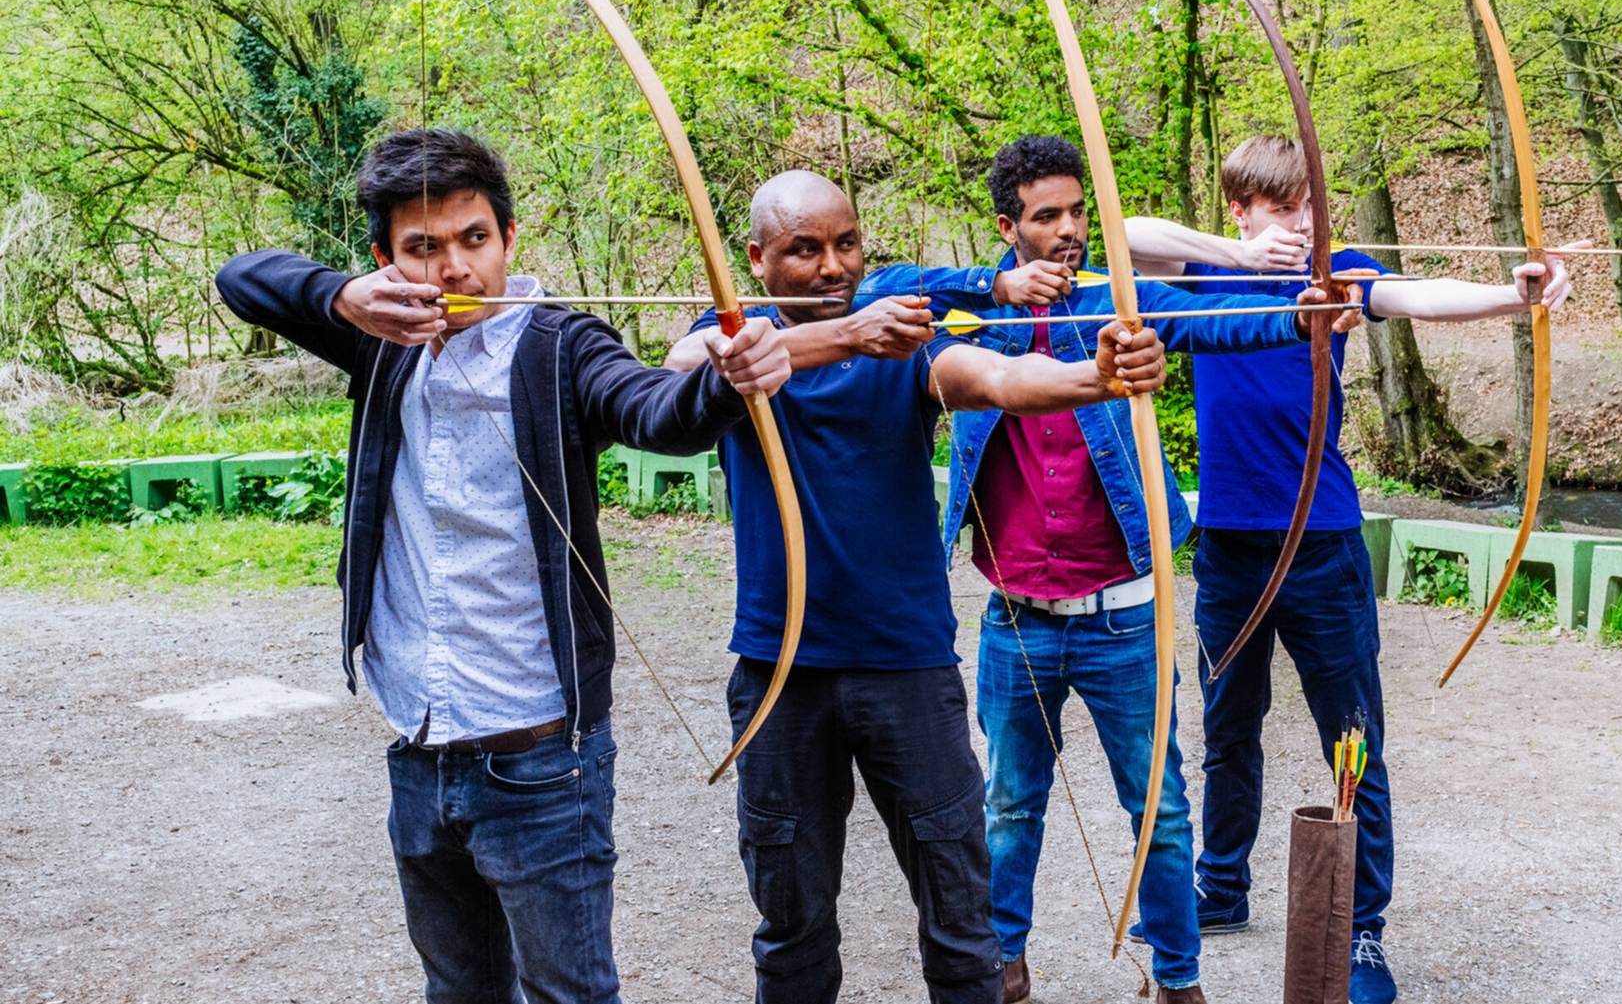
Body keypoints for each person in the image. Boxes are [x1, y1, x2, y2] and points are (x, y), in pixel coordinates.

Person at [214, 128, 789, 1004]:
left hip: (539, 757)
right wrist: (343, 299)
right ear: (386, 260)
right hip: (419, 740)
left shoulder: (559, 344)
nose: (454, 268)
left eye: (474, 238)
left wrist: (727, 382)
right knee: (460, 991)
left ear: (509, 238)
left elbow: (653, 408)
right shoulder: (380, 339)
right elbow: (240, 279)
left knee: (571, 995)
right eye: (423, 248)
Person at [670, 169, 1170, 1004]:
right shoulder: (732, 336)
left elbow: (1003, 382)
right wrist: (847, 334)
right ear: (756, 259)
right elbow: (692, 366)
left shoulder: (906, 346)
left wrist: (1100, 379)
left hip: (907, 670)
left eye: (847, 244)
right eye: (804, 250)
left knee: (962, 927)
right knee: (791, 930)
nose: (833, 266)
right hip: (780, 674)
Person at [1121, 133, 1577, 1004]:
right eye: (1282, 208)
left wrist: (1509, 298)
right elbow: (1122, 236)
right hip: (1229, 546)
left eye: (1309, 208)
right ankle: (1222, 886)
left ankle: (1361, 929)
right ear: (1243, 209)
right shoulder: (1207, 276)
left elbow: (1415, 295)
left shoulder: (1335, 275)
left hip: (1322, 542)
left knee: (1352, 738)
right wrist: (1237, 254)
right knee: (1227, 726)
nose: (1300, 224)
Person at [903, 135, 1355, 1004]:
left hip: (1124, 616)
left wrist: (1304, 314)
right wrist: (994, 289)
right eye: (1049, 216)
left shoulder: (1127, 301)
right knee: (1007, 807)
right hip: (1017, 616)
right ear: (1009, 226)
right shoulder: (971, 316)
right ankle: (1006, 962)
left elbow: (1216, 320)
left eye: (1080, 211)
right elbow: (885, 293)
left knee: (1162, 812)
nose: (1071, 228)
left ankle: (1179, 979)